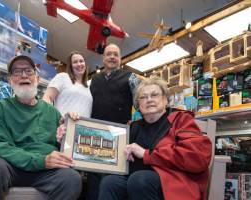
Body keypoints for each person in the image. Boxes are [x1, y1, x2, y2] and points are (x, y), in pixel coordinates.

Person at [0, 55, 82, 200]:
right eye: (17, 72)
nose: (23, 75)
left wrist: (67, 134)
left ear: (37, 79)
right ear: (10, 80)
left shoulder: (53, 113)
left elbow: (63, 148)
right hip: (9, 166)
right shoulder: (0, 109)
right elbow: (0, 147)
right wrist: (41, 161)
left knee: (71, 179)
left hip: (44, 172)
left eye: (28, 71)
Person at [98, 77, 212, 200]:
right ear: (138, 104)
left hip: (172, 183)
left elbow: (197, 156)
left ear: (165, 100)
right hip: (136, 182)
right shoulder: (132, 127)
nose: (149, 100)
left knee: (140, 180)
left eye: (154, 95)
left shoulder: (180, 120)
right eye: (143, 97)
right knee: (110, 182)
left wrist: (146, 154)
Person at [87, 43, 140, 199]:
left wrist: (136, 123)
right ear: (103, 58)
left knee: (111, 177)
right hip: (95, 133)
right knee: (93, 175)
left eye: (115, 54)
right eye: (108, 54)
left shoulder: (131, 77)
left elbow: (140, 103)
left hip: (119, 135)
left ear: (120, 59)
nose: (112, 57)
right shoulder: (94, 80)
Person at [43, 51, 92, 118]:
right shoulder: (63, 77)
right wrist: (56, 118)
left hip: (82, 127)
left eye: (81, 61)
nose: (79, 64)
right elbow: (47, 98)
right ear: (70, 66)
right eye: (75, 62)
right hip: (62, 125)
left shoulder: (88, 88)